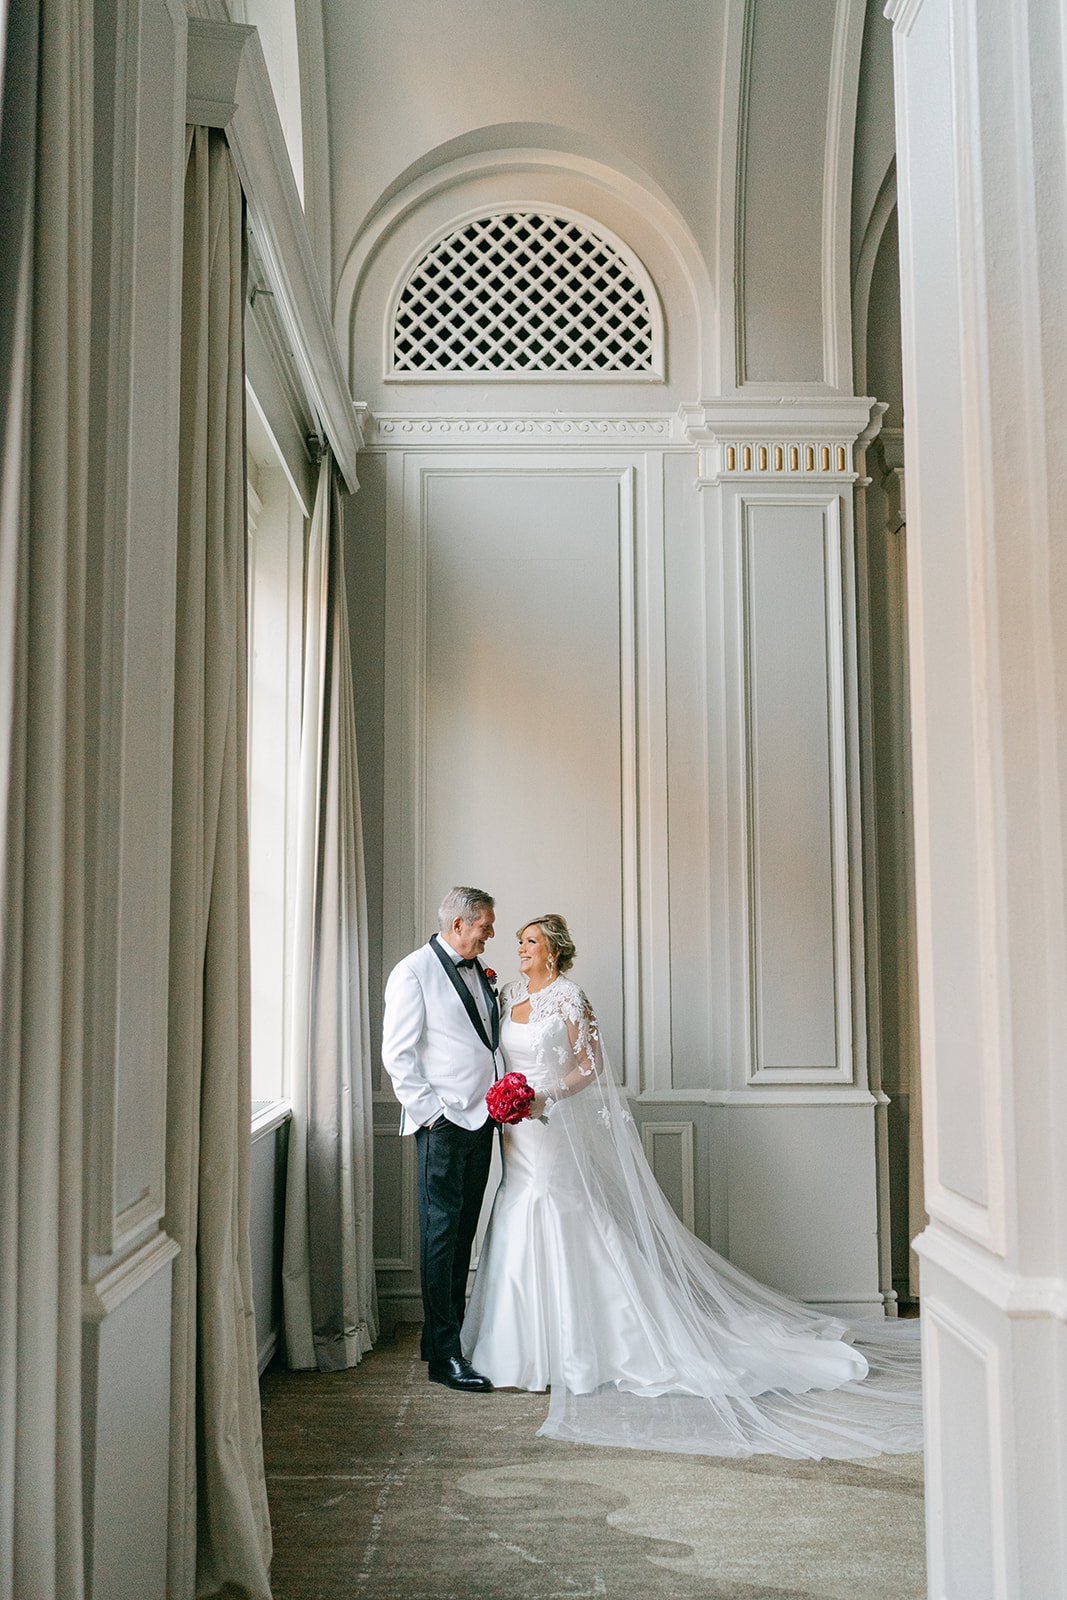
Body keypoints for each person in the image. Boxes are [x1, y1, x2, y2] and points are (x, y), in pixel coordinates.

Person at [462, 914, 923, 1459]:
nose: (520, 948)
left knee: (562, 1211)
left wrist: (545, 1097)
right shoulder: (508, 991)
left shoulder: (570, 998)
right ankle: (521, 1352)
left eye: (530, 941)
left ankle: (584, 1349)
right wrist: (504, 1097)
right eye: (519, 941)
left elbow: (591, 1065)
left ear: (554, 951)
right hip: (515, 1134)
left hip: (553, 1127)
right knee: (516, 1207)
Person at [381, 886, 500, 1393]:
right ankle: (444, 1359)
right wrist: (433, 1115)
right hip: (445, 1125)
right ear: (459, 924)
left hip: (485, 1121)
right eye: (485, 926)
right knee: (440, 1236)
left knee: (462, 1234)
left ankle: (439, 1338)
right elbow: (397, 1055)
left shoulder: (479, 974)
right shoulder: (413, 972)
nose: (490, 934)